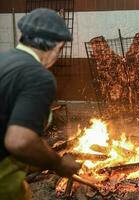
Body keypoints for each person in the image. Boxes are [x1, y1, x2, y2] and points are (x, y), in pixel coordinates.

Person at [0, 8, 81, 199]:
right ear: (58, 45)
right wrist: (59, 164)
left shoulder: (4, 59)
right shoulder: (38, 76)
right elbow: (20, 141)